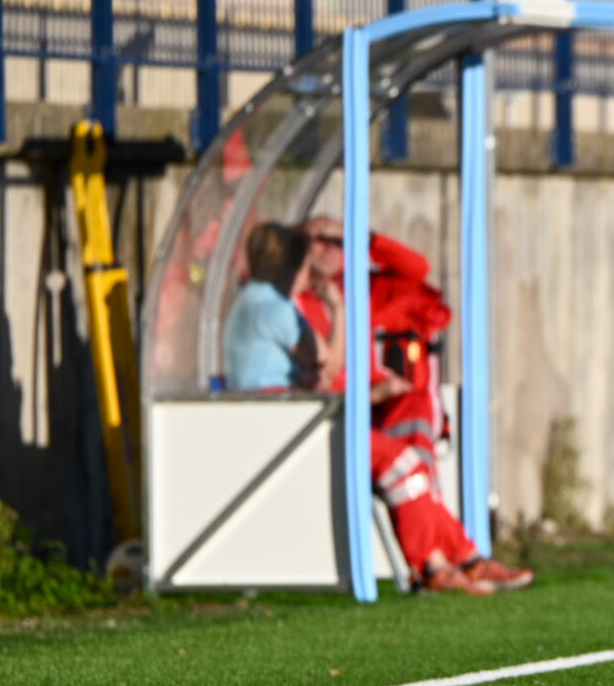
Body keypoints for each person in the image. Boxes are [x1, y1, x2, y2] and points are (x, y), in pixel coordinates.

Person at [297, 214, 534, 596]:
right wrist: (370, 392)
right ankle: (440, 563)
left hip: (378, 402)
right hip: (345, 410)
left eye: (336, 241)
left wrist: (363, 238)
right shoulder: (305, 297)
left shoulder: (365, 285)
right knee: (408, 472)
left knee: (417, 469)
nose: (329, 249)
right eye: (318, 241)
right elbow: (326, 367)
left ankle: (458, 560)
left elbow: (416, 268)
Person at [223, 221, 335, 391]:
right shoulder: (274, 307)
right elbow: (325, 359)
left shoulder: (249, 296)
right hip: (272, 404)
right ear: (290, 267)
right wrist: (339, 308)